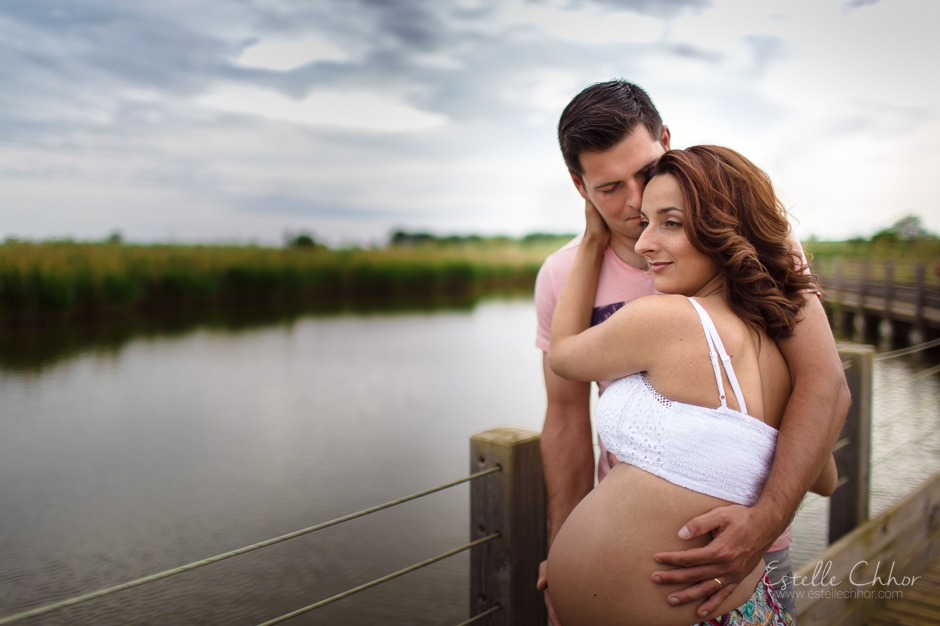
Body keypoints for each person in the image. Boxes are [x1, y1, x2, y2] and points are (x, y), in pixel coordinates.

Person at [534, 81, 850, 623]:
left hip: (747, 554)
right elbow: (565, 420)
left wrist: (763, 526)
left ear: (668, 143)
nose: (635, 203)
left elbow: (823, 386)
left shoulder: (763, 253)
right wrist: (564, 545)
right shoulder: (563, 276)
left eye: (646, 171)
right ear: (578, 186)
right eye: (609, 187)